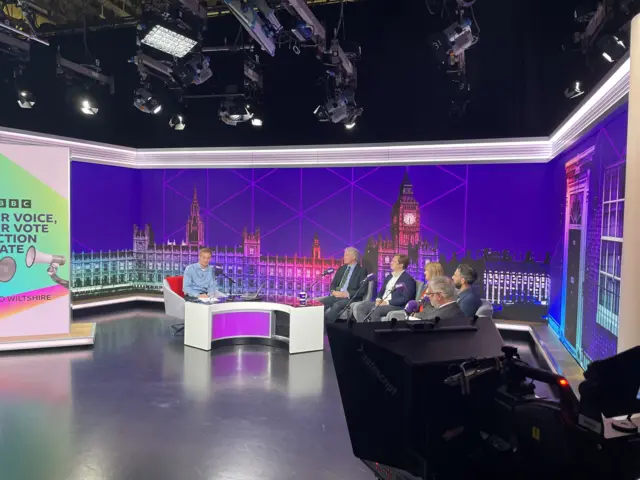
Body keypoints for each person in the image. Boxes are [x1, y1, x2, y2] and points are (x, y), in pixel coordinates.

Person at [352, 254, 416, 322]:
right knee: (360, 307)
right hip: (382, 302)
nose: (391, 262)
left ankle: (375, 331)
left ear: (401, 265)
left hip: (395, 305)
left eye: (394, 261)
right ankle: (364, 329)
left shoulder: (408, 279)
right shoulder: (389, 276)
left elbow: (405, 298)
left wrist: (387, 302)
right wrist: (378, 299)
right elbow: (382, 291)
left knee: (375, 310)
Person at [318, 247, 369, 323]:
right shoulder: (341, 269)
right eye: (344, 255)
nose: (344, 257)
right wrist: (333, 291)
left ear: (354, 257)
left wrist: (346, 294)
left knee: (336, 305)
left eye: (347, 255)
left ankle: (327, 329)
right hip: (337, 295)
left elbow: (362, 290)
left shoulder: (361, 271)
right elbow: (333, 283)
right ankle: (317, 325)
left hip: (350, 298)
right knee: (320, 303)